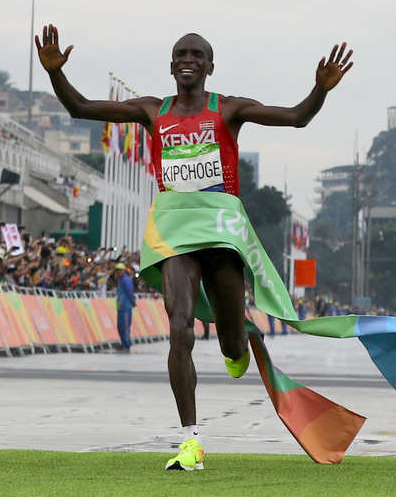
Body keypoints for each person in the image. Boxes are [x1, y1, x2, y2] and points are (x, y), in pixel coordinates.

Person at [36, 24, 352, 471]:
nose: (188, 59)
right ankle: (191, 440)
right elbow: (81, 107)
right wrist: (55, 74)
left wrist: (318, 91)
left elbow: (296, 117)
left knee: (230, 343)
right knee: (179, 325)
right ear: (171, 66)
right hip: (173, 228)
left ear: (209, 66)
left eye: (196, 54)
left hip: (220, 229)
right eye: (180, 53)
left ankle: (241, 338)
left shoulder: (230, 108)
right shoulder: (152, 110)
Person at [114, 263, 136, 353]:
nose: (117, 272)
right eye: (117, 270)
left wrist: (132, 302)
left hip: (126, 307)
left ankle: (126, 345)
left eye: (119, 270)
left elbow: (130, 292)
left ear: (123, 271)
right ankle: (124, 343)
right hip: (121, 307)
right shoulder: (120, 280)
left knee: (125, 326)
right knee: (120, 326)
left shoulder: (126, 280)